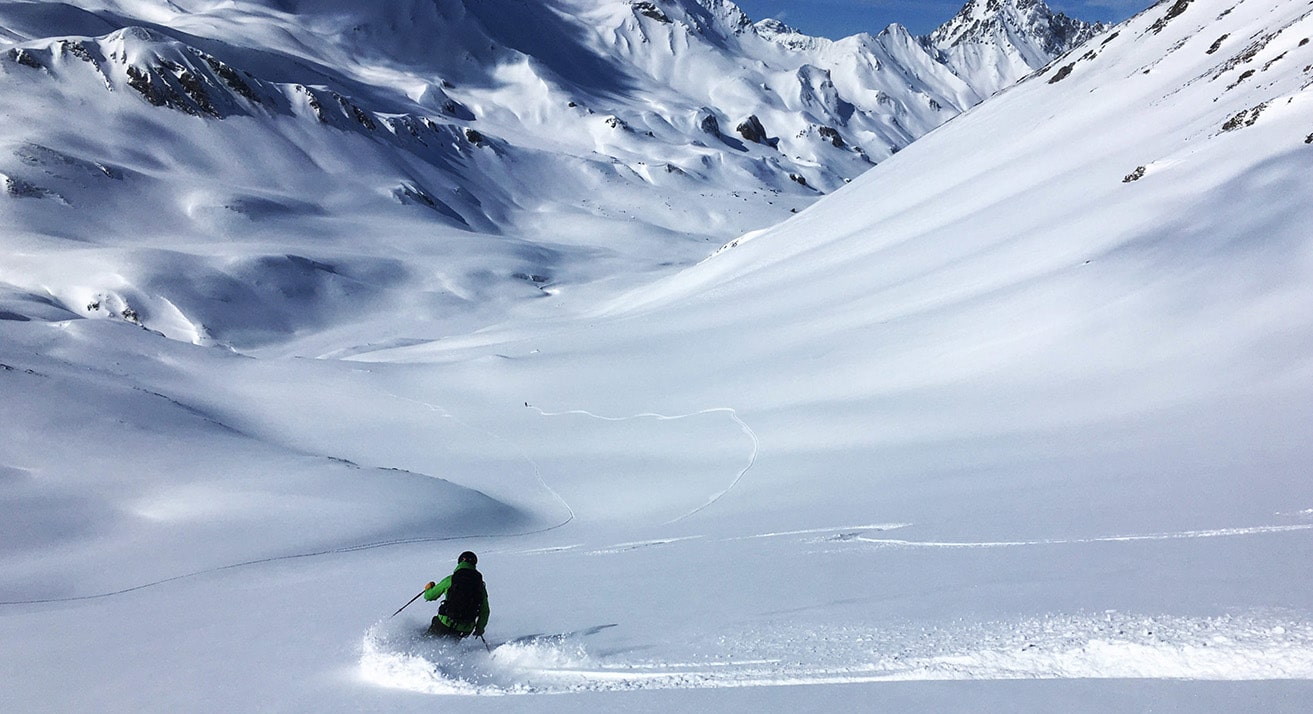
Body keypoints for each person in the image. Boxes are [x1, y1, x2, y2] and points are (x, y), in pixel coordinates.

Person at [423, 551, 490, 640]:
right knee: (449, 647)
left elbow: (430, 596)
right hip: (464, 628)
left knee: (427, 640)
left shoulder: (451, 579)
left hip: (445, 622)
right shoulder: (480, 586)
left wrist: (428, 589)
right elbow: (485, 610)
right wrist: (479, 628)